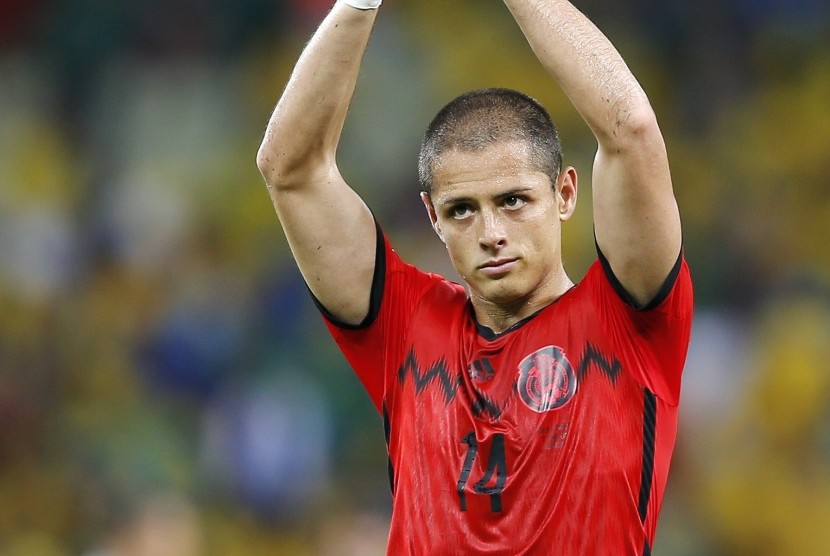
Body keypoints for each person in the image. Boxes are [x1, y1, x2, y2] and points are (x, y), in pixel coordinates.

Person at [256, 0, 693, 553]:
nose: (491, 231)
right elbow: (290, 170)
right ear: (433, 217)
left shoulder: (627, 321)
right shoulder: (405, 327)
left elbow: (629, 126)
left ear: (564, 194)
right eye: (462, 209)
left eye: (513, 200)